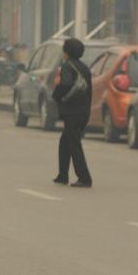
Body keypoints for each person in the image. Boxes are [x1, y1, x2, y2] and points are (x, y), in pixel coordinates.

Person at [52, 38, 93, 188]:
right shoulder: (84, 68)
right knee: (65, 141)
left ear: (67, 53)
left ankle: (84, 177)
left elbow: (65, 84)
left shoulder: (67, 67)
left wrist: (56, 96)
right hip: (83, 111)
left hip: (72, 112)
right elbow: (89, 92)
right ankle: (62, 175)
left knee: (74, 143)